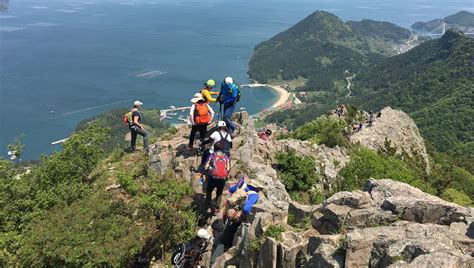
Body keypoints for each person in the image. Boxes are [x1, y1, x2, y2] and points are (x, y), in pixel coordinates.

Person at [202, 141, 230, 216]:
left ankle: (208, 207)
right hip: (222, 178)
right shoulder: (226, 157)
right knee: (219, 192)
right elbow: (228, 168)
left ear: (214, 148)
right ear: (223, 148)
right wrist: (226, 176)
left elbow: (205, 166)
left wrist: (203, 173)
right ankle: (216, 209)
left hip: (213, 178)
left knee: (209, 191)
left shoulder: (212, 156)